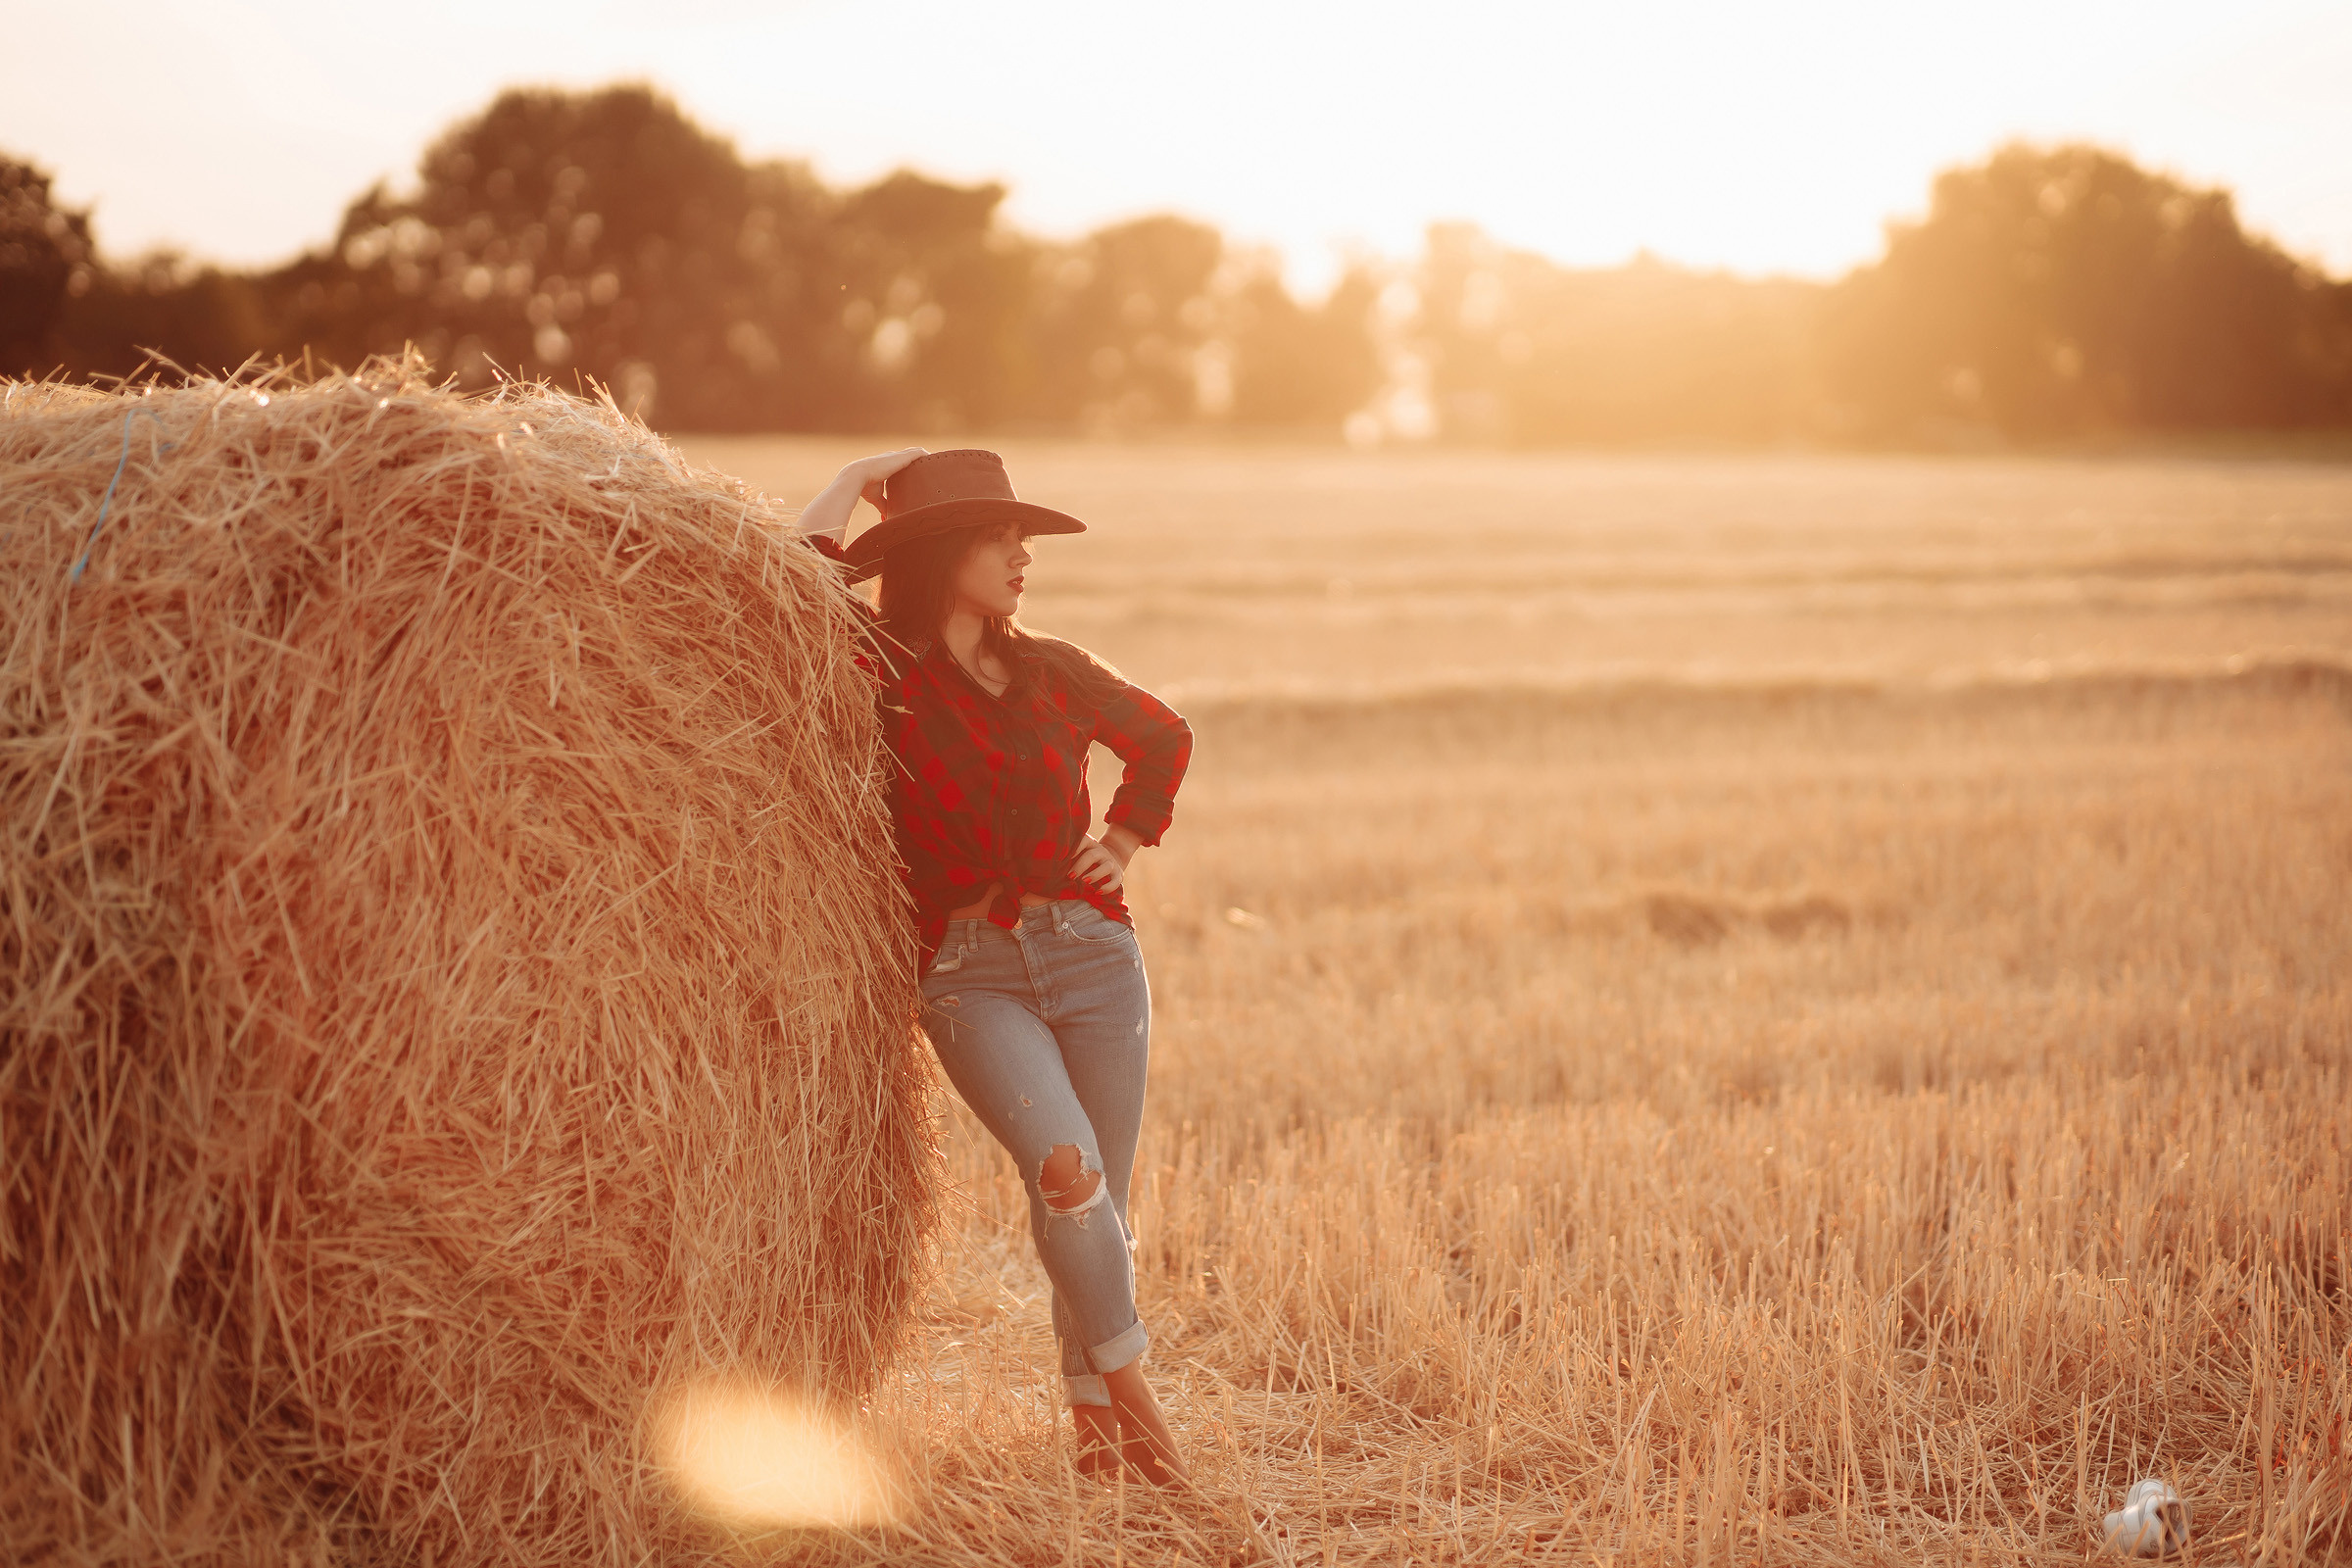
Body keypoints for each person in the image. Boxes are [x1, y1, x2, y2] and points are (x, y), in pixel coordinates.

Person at [796, 447, 1195, 1486]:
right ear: (936, 552)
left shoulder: (1050, 667)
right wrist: (852, 477)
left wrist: (1124, 838)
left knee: (1097, 1198)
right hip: (970, 972)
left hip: (1096, 954)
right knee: (1066, 1175)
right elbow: (792, 582)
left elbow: (1162, 736)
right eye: (995, 536)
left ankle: (1094, 1427)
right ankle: (1145, 1411)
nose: (1023, 553)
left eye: (1022, 537)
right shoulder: (878, 667)